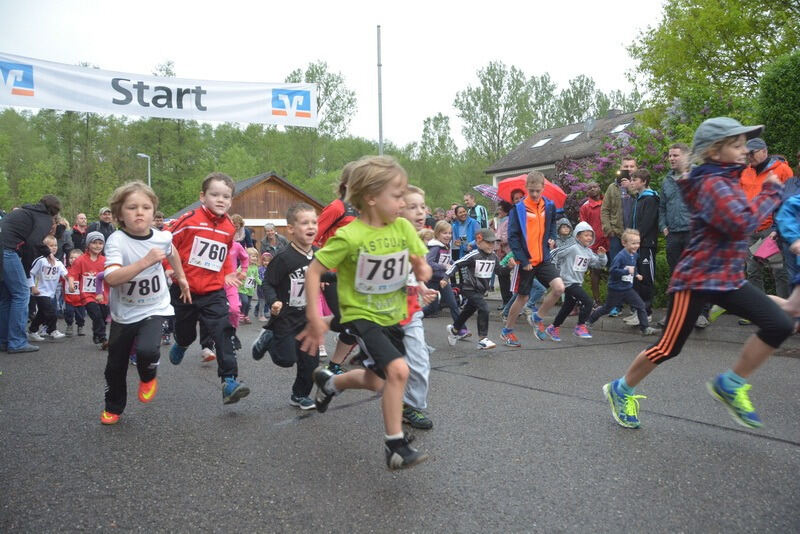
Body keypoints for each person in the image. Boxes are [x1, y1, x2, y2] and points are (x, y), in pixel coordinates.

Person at [602, 117, 794, 431]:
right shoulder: (713, 183)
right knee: (668, 347)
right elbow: (740, 223)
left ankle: (730, 385)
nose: (745, 149)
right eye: (736, 144)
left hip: (727, 278)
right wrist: (770, 193)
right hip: (696, 279)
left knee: (779, 324)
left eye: (744, 143)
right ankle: (620, 389)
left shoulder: (726, 176)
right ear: (716, 150)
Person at [296, 155, 432, 470]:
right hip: (362, 315)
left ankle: (331, 383)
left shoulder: (401, 227)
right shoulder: (350, 236)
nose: (403, 202)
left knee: (379, 380)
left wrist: (420, 266)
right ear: (371, 198)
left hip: (394, 315)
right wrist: (316, 318)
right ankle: (395, 446)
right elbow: (314, 271)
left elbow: (416, 258)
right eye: (397, 196)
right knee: (399, 372)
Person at [100, 181, 190, 425]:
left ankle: (148, 376)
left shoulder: (162, 237)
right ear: (119, 214)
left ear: (153, 212)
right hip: (125, 312)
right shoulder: (116, 241)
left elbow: (172, 252)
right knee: (114, 367)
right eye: (132, 207)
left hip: (155, 306)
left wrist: (181, 277)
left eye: (146, 207)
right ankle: (114, 407)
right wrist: (145, 261)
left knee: (147, 351)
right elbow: (111, 278)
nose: (140, 212)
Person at [166, 172, 250, 405]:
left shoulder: (228, 227)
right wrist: (169, 268)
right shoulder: (189, 220)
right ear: (203, 197)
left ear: (231, 201)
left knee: (223, 332)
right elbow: (165, 244)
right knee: (187, 332)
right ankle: (182, 343)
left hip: (213, 291)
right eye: (214, 195)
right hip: (186, 289)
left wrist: (227, 274)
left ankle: (229, 381)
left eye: (226, 196)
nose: (220, 200)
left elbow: (223, 255)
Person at [251, 203, 321, 410]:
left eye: (314, 222)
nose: (311, 227)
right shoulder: (284, 258)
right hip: (285, 316)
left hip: (309, 318)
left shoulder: (319, 255)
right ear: (290, 229)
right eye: (305, 223)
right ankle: (268, 337)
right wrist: (274, 302)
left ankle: (299, 395)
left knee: (310, 362)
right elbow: (268, 283)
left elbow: (326, 278)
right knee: (286, 360)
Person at [500, 171, 565, 347]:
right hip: (527, 260)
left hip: (543, 257)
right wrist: (523, 259)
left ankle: (537, 317)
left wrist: (552, 237)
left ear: (543, 188)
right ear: (526, 188)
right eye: (531, 191)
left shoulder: (549, 206)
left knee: (559, 288)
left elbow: (551, 225)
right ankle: (507, 331)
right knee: (522, 298)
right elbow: (513, 238)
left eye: (537, 190)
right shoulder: (518, 209)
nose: (535, 194)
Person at [398, 185, 439, 429]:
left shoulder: (418, 239)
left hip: (411, 311)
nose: (420, 212)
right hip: (384, 314)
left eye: (422, 207)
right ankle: (335, 382)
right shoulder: (387, 237)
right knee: (379, 375)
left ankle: (410, 407)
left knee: (420, 362)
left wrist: (423, 288)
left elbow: (415, 273)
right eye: (412, 207)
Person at [0, 194, 61, 353]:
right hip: (7, 251)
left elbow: (31, 240)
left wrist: (46, 251)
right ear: (54, 212)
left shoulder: (25, 211)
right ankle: (17, 342)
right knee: (21, 294)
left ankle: (4, 340)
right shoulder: (44, 218)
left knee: (7, 297)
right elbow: (33, 242)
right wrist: (27, 271)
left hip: (3, 247)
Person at [741, 137, 793, 299]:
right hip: (751, 230)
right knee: (752, 272)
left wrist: (779, 228)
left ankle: (785, 312)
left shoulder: (782, 170)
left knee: (779, 271)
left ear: (764, 151)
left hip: (772, 230)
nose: (749, 157)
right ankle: (759, 311)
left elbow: (791, 201)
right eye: (746, 154)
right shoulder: (745, 171)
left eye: (752, 153)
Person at [587, 229, 657, 336]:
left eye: (638, 243)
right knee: (607, 308)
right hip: (616, 289)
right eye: (633, 243)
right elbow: (612, 271)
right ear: (624, 243)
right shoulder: (620, 256)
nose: (636, 246)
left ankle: (645, 328)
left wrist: (636, 274)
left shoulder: (634, 255)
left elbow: (633, 267)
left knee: (641, 305)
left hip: (627, 289)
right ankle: (589, 321)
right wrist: (626, 271)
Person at [545, 222, 607, 340]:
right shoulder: (572, 248)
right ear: (578, 236)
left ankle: (553, 327)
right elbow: (555, 253)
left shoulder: (588, 252)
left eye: (590, 235)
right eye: (586, 235)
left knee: (567, 307)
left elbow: (598, 264)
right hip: (567, 281)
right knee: (588, 302)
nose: (589, 238)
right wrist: (552, 268)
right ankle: (580, 326)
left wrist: (602, 256)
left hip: (577, 282)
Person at [446, 228, 499, 349]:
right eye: (488, 242)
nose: (491, 245)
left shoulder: (494, 256)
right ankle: (482, 339)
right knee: (484, 308)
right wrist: (446, 277)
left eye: (493, 242)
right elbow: (457, 263)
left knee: (467, 311)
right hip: (469, 288)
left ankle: (454, 330)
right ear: (479, 242)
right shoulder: (473, 255)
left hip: (481, 290)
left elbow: (500, 271)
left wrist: (509, 267)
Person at [623, 169, 659, 325]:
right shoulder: (637, 198)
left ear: (644, 181)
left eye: (635, 179)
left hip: (646, 246)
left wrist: (636, 240)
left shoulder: (651, 199)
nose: (632, 182)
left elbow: (647, 223)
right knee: (636, 278)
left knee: (645, 279)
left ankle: (647, 312)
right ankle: (638, 311)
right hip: (636, 246)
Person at [601, 156, 638, 305]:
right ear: (621, 168)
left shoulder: (640, 186)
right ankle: (615, 304)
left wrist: (630, 188)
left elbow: (644, 202)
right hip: (616, 235)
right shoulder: (612, 187)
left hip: (634, 237)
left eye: (631, 166)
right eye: (625, 166)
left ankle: (632, 302)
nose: (628, 169)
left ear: (636, 168)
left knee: (633, 269)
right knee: (616, 269)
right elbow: (605, 210)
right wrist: (608, 229)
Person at [69, 232, 110, 348]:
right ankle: (103, 338)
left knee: (103, 317)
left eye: (100, 243)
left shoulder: (105, 260)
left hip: (102, 295)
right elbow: (72, 274)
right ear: (88, 244)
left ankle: (97, 335)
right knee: (96, 315)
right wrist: (71, 284)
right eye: (94, 243)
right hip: (87, 295)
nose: (97, 246)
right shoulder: (81, 260)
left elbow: (112, 274)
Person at [27, 235, 68, 341]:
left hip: (51, 292)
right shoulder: (40, 261)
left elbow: (65, 274)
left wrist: (71, 282)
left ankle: (32, 330)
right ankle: (52, 330)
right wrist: (32, 287)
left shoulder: (58, 262)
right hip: (40, 292)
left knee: (42, 314)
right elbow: (30, 274)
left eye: (55, 245)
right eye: (50, 246)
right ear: (44, 248)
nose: (54, 248)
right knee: (51, 312)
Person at [423, 220, 461, 326]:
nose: (448, 236)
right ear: (437, 233)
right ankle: (415, 317)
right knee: (432, 308)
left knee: (453, 304)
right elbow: (429, 262)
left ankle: (460, 329)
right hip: (431, 280)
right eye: (444, 233)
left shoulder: (446, 246)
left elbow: (448, 260)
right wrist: (444, 266)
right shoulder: (435, 247)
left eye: (449, 233)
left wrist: (456, 264)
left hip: (443, 280)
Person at [63, 248, 86, 337]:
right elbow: (61, 279)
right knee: (68, 313)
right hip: (69, 298)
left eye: (76, 258)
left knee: (81, 315)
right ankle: (69, 325)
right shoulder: (65, 270)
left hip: (80, 299)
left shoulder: (83, 271)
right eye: (71, 258)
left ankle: (80, 327)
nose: (73, 260)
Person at [239, 247, 261, 324]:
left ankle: (246, 316)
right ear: (247, 257)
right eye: (252, 256)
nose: (254, 258)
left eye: (256, 256)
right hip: (242, 288)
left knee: (248, 304)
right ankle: (241, 315)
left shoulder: (255, 267)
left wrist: (261, 283)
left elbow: (256, 277)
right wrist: (239, 279)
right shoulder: (243, 266)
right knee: (244, 302)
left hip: (250, 289)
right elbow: (237, 273)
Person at [254, 252, 272, 321]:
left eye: (268, 261)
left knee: (266, 301)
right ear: (262, 261)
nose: (266, 263)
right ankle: (260, 315)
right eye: (264, 261)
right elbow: (259, 278)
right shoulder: (260, 269)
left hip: (268, 288)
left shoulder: (271, 269)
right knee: (262, 302)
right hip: (261, 288)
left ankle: (259, 312)